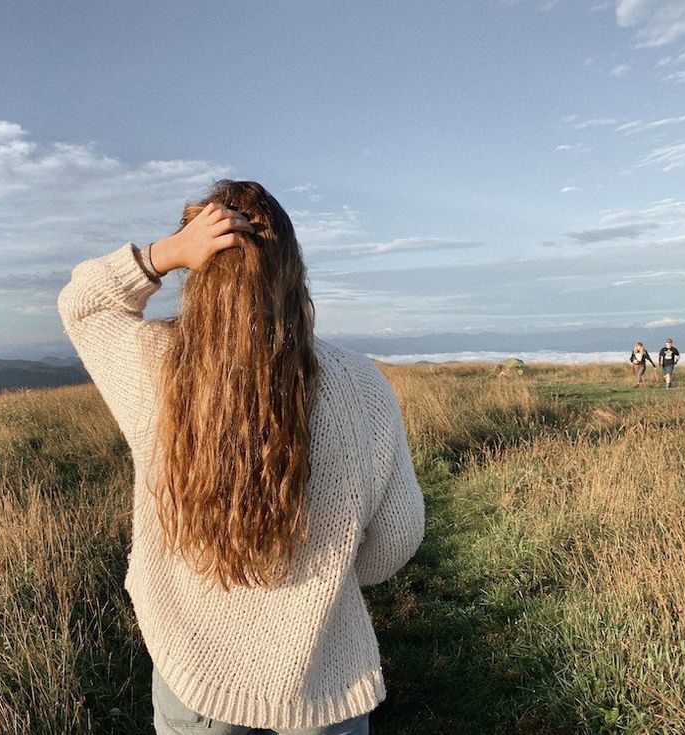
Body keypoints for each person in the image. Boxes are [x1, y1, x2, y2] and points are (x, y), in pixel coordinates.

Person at [58, 180, 425, 735]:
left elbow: (82, 304)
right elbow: (396, 537)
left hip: (198, 680)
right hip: (324, 683)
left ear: (197, 275)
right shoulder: (360, 385)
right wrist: (329, 577)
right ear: (291, 268)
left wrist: (165, 253)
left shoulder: (155, 367)